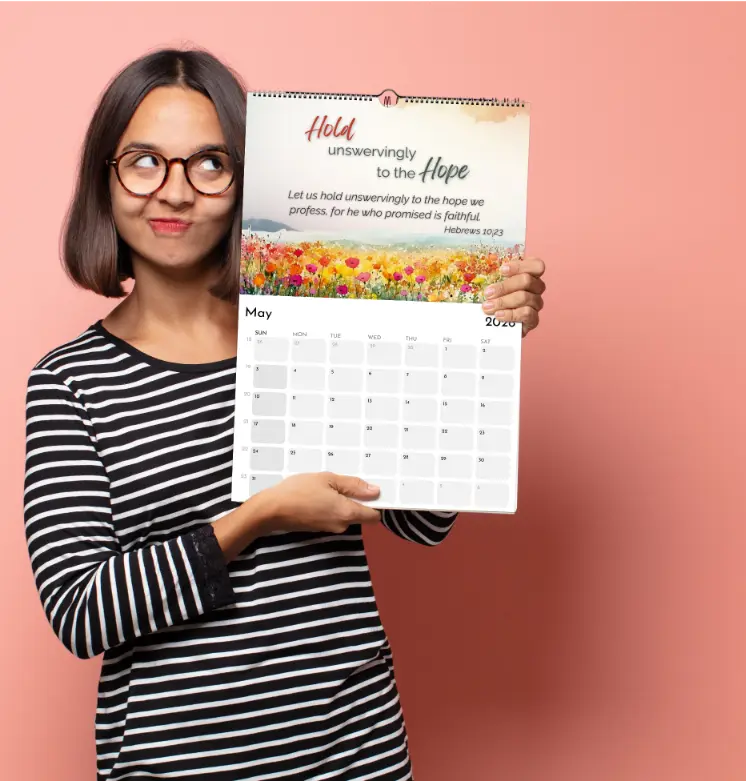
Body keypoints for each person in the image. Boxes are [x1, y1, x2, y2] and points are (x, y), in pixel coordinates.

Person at [23, 48, 546, 781]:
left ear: (247, 179)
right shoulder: (70, 382)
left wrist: (473, 348)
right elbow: (82, 612)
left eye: (209, 164)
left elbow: (421, 520)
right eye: (144, 162)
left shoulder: (313, 333)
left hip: (355, 752)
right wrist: (258, 516)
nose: (175, 192)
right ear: (104, 179)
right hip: (178, 761)